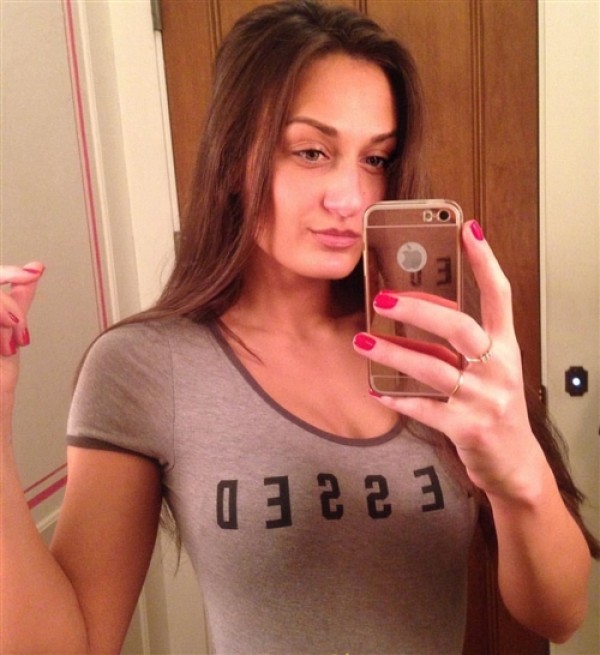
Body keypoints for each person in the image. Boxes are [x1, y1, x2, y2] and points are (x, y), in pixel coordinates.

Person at [1, 1, 597, 653]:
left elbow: (560, 615)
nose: (350, 197)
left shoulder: (435, 342)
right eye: (311, 152)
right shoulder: (145, 366)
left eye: (376, 159)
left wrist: (519, 470)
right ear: (234, 158)